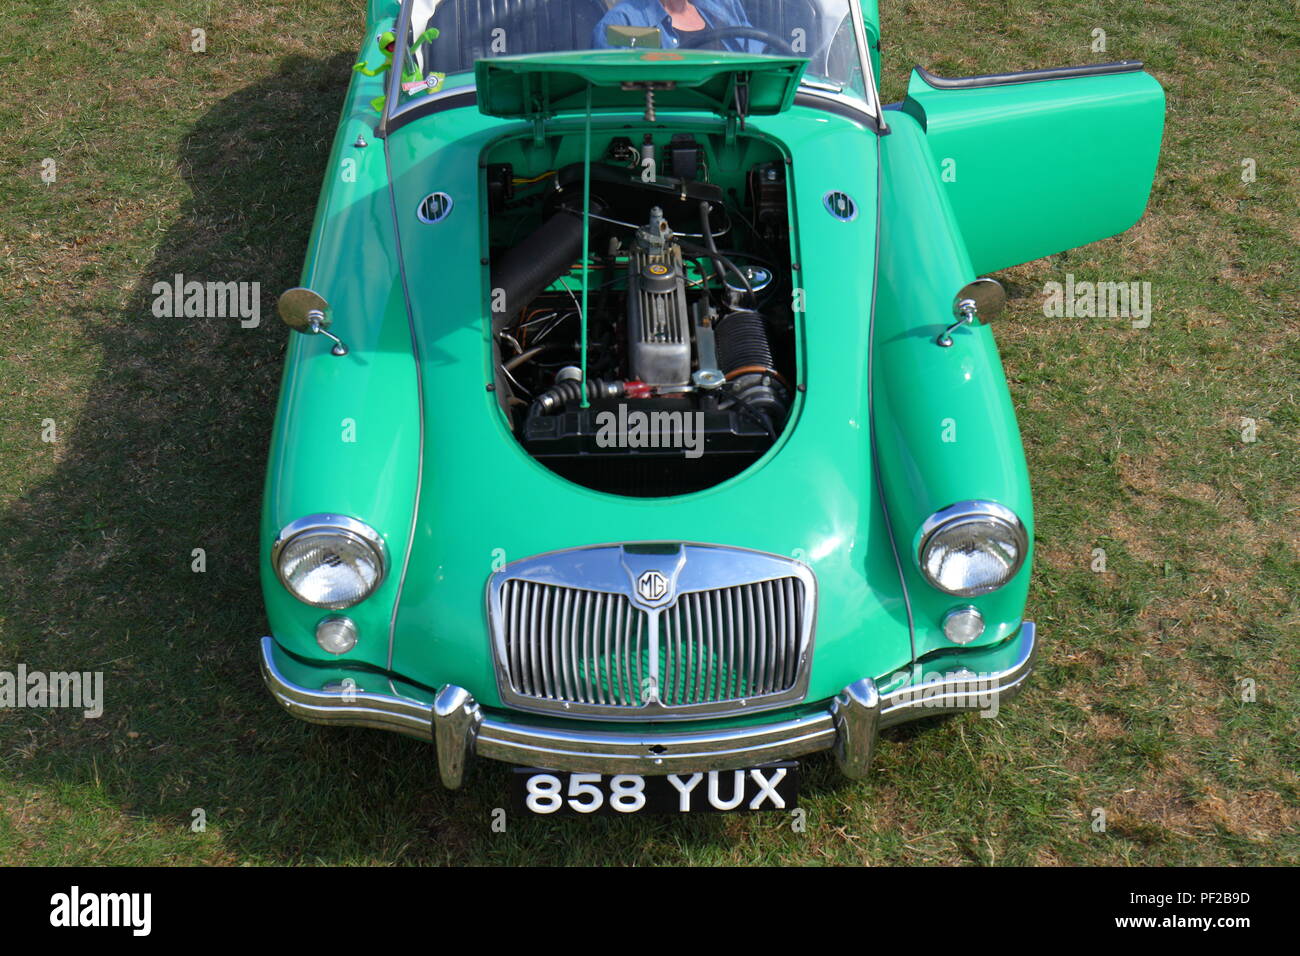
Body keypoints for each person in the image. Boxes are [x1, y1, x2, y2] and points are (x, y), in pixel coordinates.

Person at [593, 0, 760, 53]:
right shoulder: (622, 22)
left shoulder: (722, 7)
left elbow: (763, 56)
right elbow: (616, 104)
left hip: (734, 127)